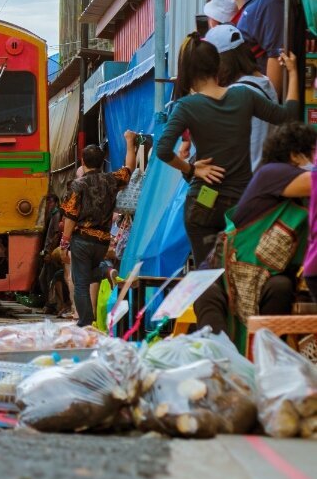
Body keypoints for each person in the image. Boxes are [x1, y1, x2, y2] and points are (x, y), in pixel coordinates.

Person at [156, 33, 299, 268]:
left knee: (206, 277)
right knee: (240, 272)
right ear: (218, 66)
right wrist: (293, 73)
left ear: (189, 72)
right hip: (241, 205)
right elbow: (288, 116)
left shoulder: (186, 107)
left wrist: (192, 169)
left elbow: (163, 150)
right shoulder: (244, 96)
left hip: (204, 201)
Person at [194, 123, 315, 333]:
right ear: (295, 154)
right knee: (207, 293)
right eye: (312, 153)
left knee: (281, 287)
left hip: (268, 277)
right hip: (223, 272)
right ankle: (220, 358)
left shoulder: (299, 197)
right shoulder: (271, 173)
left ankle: (263, 357)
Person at [59, 131, 138, 327]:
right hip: (102, 241)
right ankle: (105, 269)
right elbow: (130, 167)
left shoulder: (78, 185)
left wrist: (65, 241)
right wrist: (130, 142)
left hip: (82, 239)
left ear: (82, 162)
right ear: (103, 161)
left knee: (80, 282)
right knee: (89, 273)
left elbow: (71, 215)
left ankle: (85, 322)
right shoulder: (111, 180)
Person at [209, 24, 279, 171]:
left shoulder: (238, 93)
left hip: (243, 184)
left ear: (221, 61)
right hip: (260, 179)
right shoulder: (265, 82)